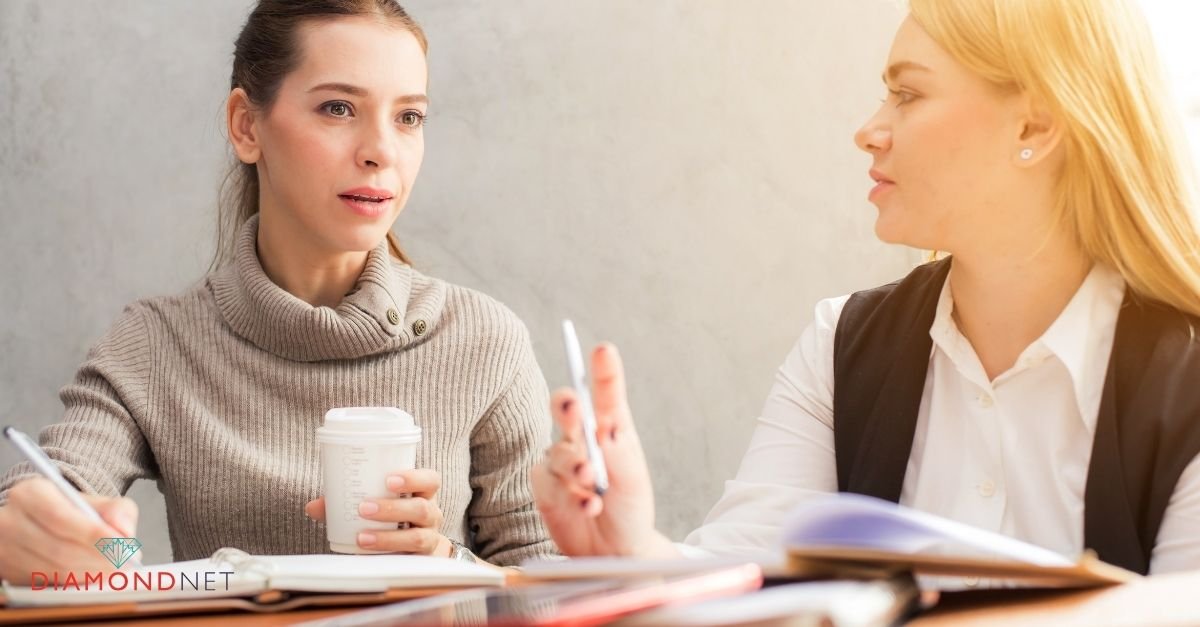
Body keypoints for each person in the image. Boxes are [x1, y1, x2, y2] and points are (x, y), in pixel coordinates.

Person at [533, 0, 1200, 577]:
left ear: (1033, 126)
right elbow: (743, 575)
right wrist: (633, 548)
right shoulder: (841, 343)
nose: (869, 130)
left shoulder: (1185, 376)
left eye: (907, 95)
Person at [0, 0, 555, 585]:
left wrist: (448, 565)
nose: (382, 151)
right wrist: (97, 553)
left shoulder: (484, 341)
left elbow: (554, 582)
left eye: (408, 118)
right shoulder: (156, 345)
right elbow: (54, 497)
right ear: (246, 125)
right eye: (338, 108)